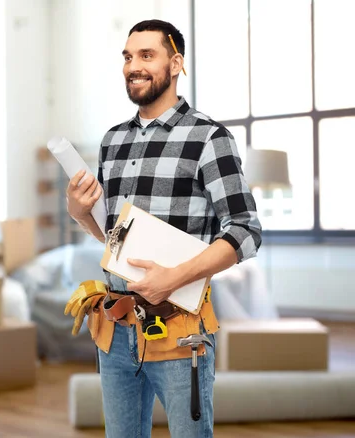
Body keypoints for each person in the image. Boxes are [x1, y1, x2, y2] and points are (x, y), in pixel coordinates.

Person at [65, 19, 262, 438]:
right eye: (127, 56)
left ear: (175, 64)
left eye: (146, 55)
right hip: (115, 333)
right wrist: (79, 212)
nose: (132, 66)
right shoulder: (113, 141)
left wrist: (171, 279)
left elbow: (245, 230)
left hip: (180, 333)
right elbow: (111, 235)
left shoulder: (209, 138)